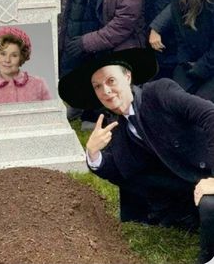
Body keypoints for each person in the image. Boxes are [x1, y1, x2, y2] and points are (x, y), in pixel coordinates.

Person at [59, 48, 214, 264]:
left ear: (127, 76)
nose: (106, 90)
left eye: (111, 80)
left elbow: (210, 115)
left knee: (210, 205)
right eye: (98, 87)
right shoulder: (116, 125)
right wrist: (93, 153)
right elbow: (122, 172)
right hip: (184, 186)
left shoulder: (159, 92)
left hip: (208, 169)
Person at [59, 0, 145, 129]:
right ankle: (82, 105)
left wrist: (86, 42)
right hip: (95, 39)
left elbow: (124, 23)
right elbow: (76, 9)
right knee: (79, 58)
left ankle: (113, 115)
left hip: (122, 44)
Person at [151, 0, 214, 102]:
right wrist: (185, 62)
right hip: (191, 61)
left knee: (199, 106)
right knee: (173, 100)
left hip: (208, 62)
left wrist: (200, 68)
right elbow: (181, 35)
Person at [0, 26, 52, 105]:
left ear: (21, 57)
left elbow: (51, 114)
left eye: (14, 55)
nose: (7, 60)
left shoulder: (39, 85)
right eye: (3, 54)